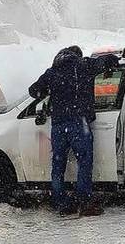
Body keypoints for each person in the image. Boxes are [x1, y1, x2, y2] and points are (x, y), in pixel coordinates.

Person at [29, 45, 120, 216]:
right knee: (84, 163)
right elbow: (107, 60)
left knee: (58, 166)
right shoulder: (84, 65)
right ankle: (85, 203)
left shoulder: (52, 72)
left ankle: (61, 203)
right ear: (77, 55)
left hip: (58, 125)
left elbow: (33, 91)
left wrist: (50, 91)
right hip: (79, 123)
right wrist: (115, 59)